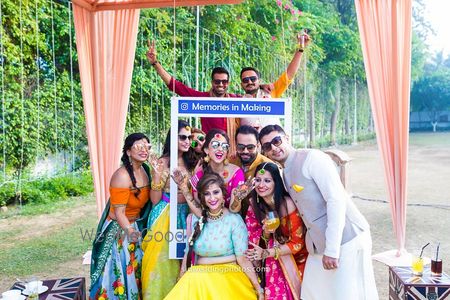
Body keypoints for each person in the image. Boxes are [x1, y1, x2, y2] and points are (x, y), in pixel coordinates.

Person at [258, 125, 379, 300]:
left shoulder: (312, 158)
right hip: (318, 244)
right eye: (268, 146)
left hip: (346, 239)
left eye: (277, 141)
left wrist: (332, 249)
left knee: (348, 294)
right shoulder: (285, 173)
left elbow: (335, 200)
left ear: (287, 138)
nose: (274, 148)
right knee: (310, 292)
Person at [165, 172, 264, 300]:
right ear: (202, 198)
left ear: (223, 195)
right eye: (207, 194)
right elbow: (188, 252)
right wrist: (181, 278)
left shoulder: (233, 220)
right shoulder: (198, 219)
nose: (212, 198)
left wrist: (258, 288)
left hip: (228, 276)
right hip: (198, 278)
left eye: (216, 192)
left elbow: (243, 259)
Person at [89, 133, 151, 300]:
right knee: (117, 271)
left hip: (134, 225)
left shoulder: (146, 171)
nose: (144, 149)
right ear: (128, 152)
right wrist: (131, 233)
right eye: (139, 146)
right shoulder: (121, 176)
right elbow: (119, 213)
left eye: (147, 146)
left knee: (135, 269)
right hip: (119, 229)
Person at [141, 120, 197, 300]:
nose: (187, 141)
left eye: (189, 138)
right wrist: (157, 175)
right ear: (173, 138)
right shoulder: (162, 162)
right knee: (162, 263)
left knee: (183, 262)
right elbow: (155, 199)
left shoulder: (193, 161)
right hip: (165, 214)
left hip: (188, 214)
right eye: (182, 137)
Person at [245, 162, 308, 300]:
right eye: (258, 180)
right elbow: (254, 242)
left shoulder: (288, 204)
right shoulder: (253, 206)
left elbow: (298, 244)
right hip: (268, 261)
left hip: (296, 260)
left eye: (267, 180)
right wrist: (266, 232)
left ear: (276, 183)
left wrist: (268, 252)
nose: (261, 185)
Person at [240, 32, 311, 130]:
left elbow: (289, 74)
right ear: (241, 84)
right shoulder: (237, 101)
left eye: (253, 79)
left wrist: (300, 49)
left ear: (258, 80)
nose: (250, 82)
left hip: (275, 142)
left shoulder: (271, 91)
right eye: (245, 80)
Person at [189, 128, 245, 214]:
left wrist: (238, 198)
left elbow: (234, 209)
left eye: (224, 146)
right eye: (215, 145)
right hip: (207, 220)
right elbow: (198, 206)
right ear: (206, 149)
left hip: (230, 221)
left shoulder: (236, 173)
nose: (220, 149)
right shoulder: (199, 174)